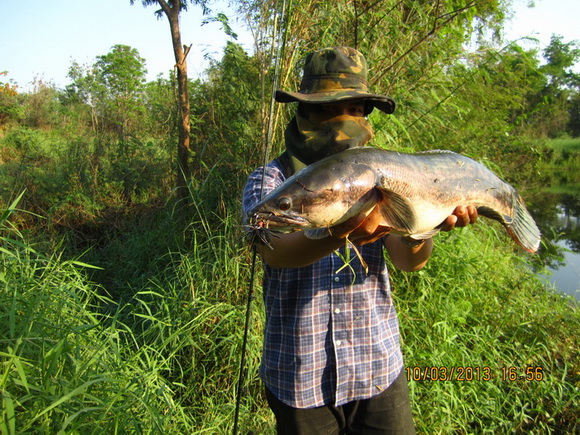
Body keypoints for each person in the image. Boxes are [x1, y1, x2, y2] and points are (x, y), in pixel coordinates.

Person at [242, 46, 478, 434]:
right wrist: (341, 227)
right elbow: (274, 252)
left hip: (377, 368)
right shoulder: (270, 182)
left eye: (358, 110)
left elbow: (409, 260)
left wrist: (427, 228)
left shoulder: (385, 172)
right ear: (307, 110)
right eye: (336, 108)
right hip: (300, 378)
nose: (350, 121)